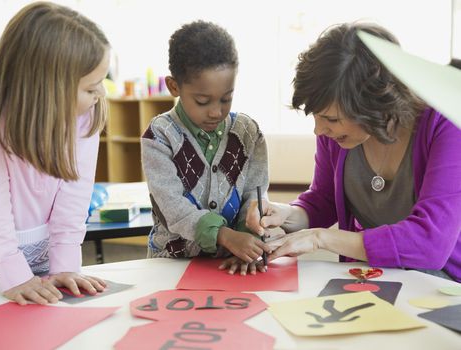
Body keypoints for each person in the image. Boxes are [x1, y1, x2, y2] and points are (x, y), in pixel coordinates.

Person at [246, 22, 461, 282]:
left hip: (443, 288)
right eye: (316, 116)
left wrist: (320, 239)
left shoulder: (446, 123)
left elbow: (430, 243)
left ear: (373, 106)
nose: (319, 130)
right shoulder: (337, 136)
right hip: (372, 280)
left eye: (331, 119)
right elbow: (324, 200)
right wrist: (286, 214)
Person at [0, 1, 110, 304]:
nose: (101, 94)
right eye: (91, 88)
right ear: (50, 86)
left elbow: (75, 196)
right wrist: (13, 276)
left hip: (46, 254)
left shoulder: (86, 114)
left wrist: (66, 264)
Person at [141, 20, 270, 275]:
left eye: (226, 98)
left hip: (231, 263)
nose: (216, 112)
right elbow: (173, 208)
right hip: (171, 265)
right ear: (174, 86)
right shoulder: (159, 136)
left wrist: (247, 242)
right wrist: (224, 235)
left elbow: (254, 196)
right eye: (202, 101)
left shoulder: (249, 133)